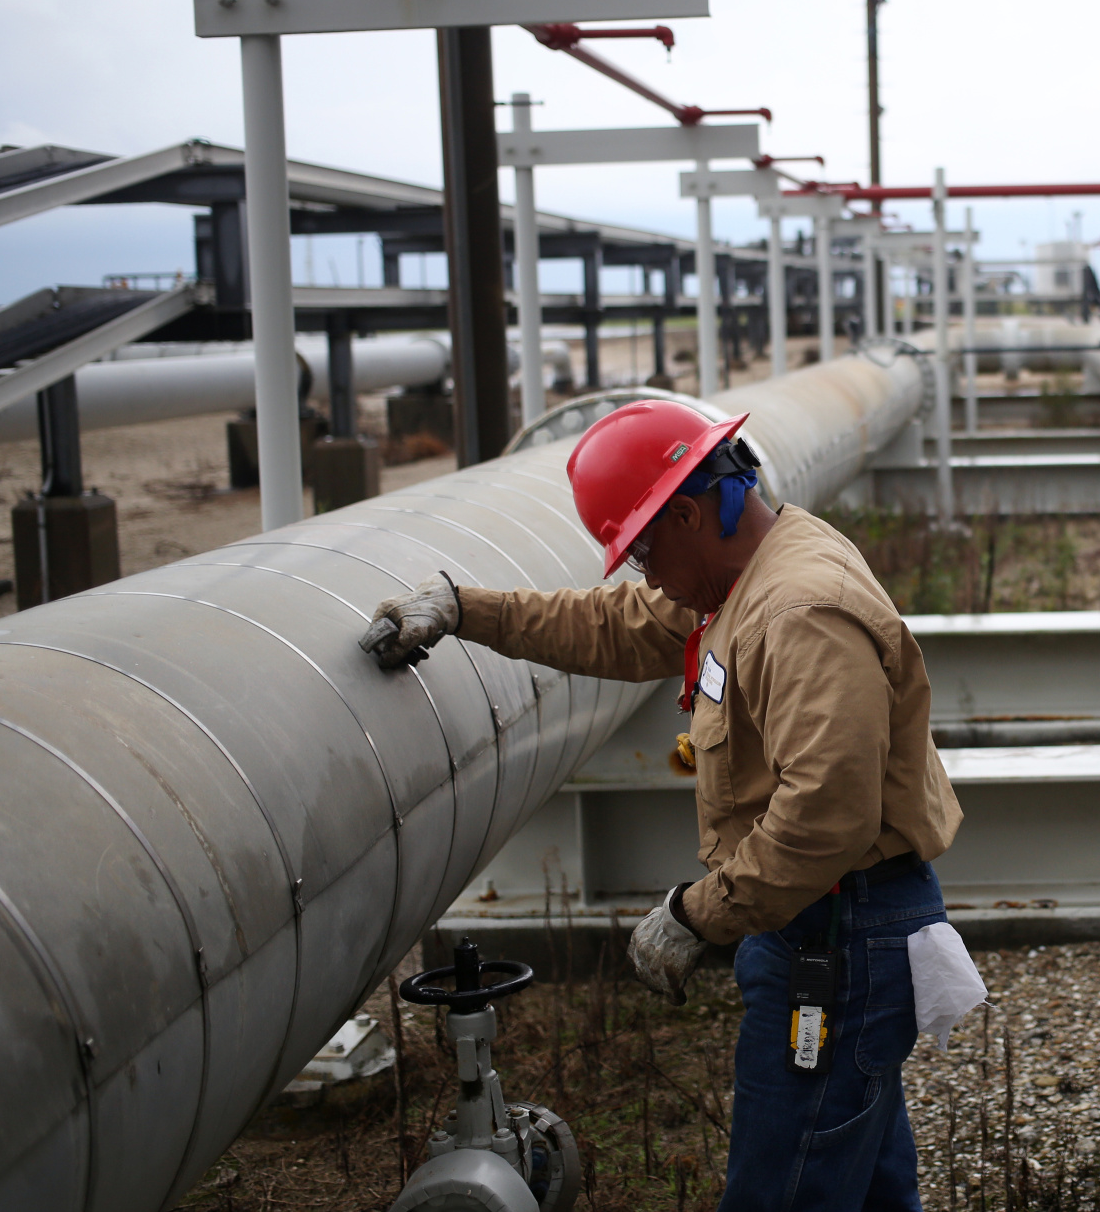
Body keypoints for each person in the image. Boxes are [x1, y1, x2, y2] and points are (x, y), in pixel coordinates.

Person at [360, 399, 965, 1212]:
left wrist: (696, 913)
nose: (642, 571)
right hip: (823, 926)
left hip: (838, 941)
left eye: (642, 547)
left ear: (687, 512)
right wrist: (465, 609)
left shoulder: (800, 614)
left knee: (783, 1190)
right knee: (863, 1181)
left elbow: (828, 813)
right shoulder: (748, 575)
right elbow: (618, 625)